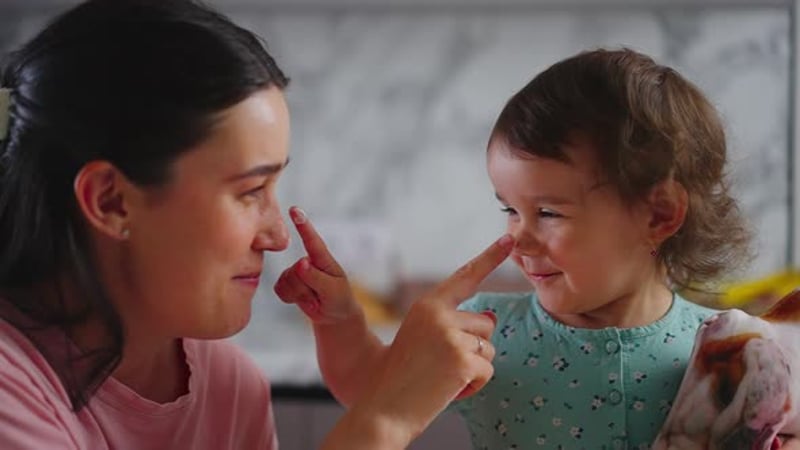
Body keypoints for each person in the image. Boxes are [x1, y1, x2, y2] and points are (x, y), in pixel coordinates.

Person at [0, 0, 512, 448]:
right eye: (250, 192)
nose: (277, 236)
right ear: (111, 202)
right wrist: (386, 418)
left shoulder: (228, 383)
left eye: (273, 189)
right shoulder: (11, 389)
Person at [276, 48, 800, 449]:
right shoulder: (484, 331)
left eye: (548, 213)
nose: (518, 239)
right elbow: (373, 390)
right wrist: (339, 321)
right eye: (509, 208)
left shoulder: (723, 353)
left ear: (659, 215)